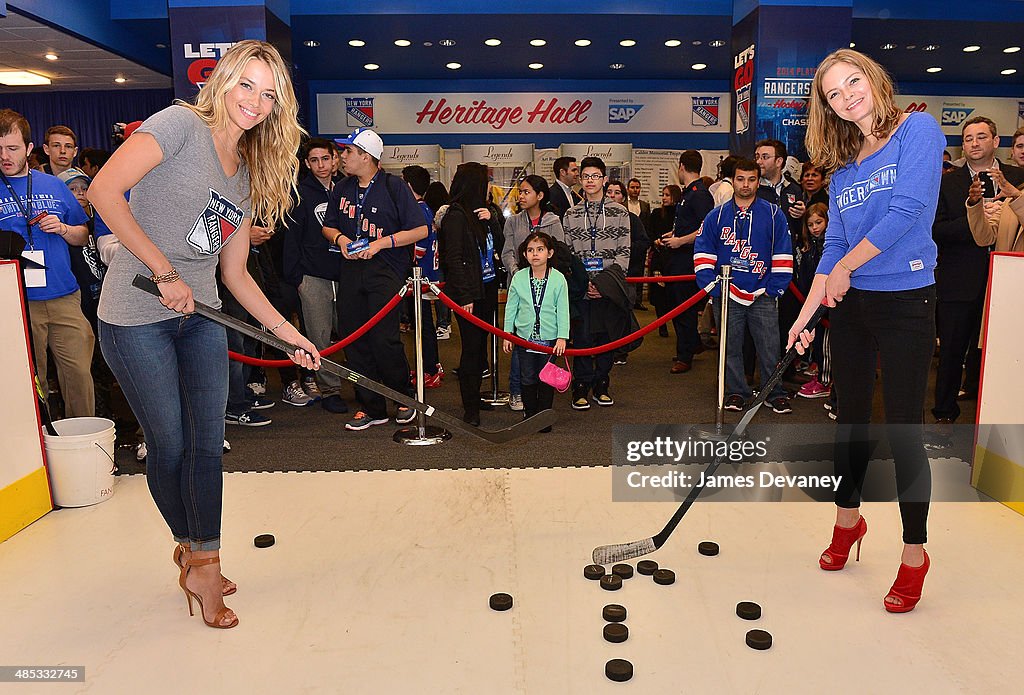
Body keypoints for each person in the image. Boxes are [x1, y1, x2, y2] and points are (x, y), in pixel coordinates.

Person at [90, 40, 321, 630]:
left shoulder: (244, 171)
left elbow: (234, 272)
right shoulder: (177, 125)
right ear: (222, 81)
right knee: (168, 445)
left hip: (202, 318)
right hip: (135, 312)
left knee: (205, 445)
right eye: (247, 84)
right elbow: (103, 192)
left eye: (269, 94)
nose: (255, 101)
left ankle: (204, 557)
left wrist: (289, 336)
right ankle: (196, 556)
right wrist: (162, 270)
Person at [789, 48, 946, 613]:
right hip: (851, 306)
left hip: (905, 299)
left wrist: (847, 269)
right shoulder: (845, 165)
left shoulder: (918, 131)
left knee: (904, 432)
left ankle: (914, 553)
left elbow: (909, 210)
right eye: (833, 92)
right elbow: (831, 247)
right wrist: (805, 318)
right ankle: (848, 521)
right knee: (849, 421)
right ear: (827, 107)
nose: (847, 95)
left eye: (853, 81)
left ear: (874, 79)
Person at [321, 128, 427, 431]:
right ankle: (371, 406)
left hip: (386, 270)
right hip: (351, 271)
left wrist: (380, 244)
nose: (343, 157)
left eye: (349, 152)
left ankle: (403, 397)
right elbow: (327, 226)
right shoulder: (342, 188)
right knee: (353, 339)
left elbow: (420, 230)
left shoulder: (394, 187)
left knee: (384, 339)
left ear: (366, 156)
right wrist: (341, 239)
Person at [0, 109, 95, 418]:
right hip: (15, 302)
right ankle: (36, 451)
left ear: (29, 149)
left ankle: (82, 443)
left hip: (64, 296)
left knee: (79, 377)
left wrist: (64, 229)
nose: (5, 156)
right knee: (27, 382)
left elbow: (82, 235)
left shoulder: (54, 186)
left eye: (12, 148)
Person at [932, 116, 1024, 421]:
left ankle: (999, 415)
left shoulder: (1017, 178)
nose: (974, 143)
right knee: (952, 352)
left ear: (996, 142)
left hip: (1008, 282)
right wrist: (977, 216)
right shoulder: (947, 181)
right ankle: (944, 412)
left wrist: (1012, 198)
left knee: (1004, 354)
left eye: (982, 136)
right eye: (968, 137)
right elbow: (936, 230)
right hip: (959, 279)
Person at [694, 158, 793, 414]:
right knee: (730, 346)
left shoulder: (773, 214)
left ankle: (774, 391)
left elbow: (783, 251)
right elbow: (703, 252)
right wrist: (712, 288)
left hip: (763, 293)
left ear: (758, 181)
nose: (746, 185)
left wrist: (775, 287)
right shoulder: (716, 216)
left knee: (770, 347)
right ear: (733, 180)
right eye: (740, 179)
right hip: (727, 294)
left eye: (751, 179)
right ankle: (735, 391)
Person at [282, 137, 349, 412]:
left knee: (351, 331)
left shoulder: (347, 189)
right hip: (312, 275)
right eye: (314, 160)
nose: (321, 165)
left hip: (345, 273)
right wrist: (297, 278)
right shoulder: (300, 194)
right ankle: (330, 388)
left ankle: (361, 383)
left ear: (335, 159)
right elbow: (291, 237)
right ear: (307, 164)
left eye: (325, 158)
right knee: (319, 335)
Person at [562, 156, 631, 409]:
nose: (590, 181)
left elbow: (624, 252)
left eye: (595, 176)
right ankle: (580, 386)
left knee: (605, 338)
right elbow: (569, 255)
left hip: (608, 286)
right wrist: (585, 284)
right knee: (581, 338)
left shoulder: (619, 212)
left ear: (604, 179)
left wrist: (603, 285)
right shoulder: (570, 214)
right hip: (581, 288)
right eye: (585, 176)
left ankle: (602, 384)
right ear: (580, 180)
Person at [438, 162, 501, 426]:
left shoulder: (482, 212)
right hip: (469, 294)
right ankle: (470, 408)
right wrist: (464, 297)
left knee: (481, 347)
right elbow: (452, 258)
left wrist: (493, 220)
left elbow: (499, 243)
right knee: (471, 350)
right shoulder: (455, 215)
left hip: (487, 288)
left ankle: (475, 398)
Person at [500, 174, 564, 409]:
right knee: (520, 345)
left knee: (544, 352)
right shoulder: (513, 221)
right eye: (520, 191)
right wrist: (519, 272)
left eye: (526, 192)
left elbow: (560, 252)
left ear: (540, 195)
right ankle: (517, 391)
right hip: (520, 285)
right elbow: (507, 251)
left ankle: (543, 402)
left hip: (547, 285)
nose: (521, 196)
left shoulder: (553, 220)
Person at [502, 231, 570, 430]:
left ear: (549, 253)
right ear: (524, 255)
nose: (535, 254)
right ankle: (530, 414)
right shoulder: (519, 278)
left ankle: (544, 417)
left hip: (550, 341)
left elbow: (563, 310)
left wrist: (562, 337)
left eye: (540, 249)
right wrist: (508, 334)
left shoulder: (558, 279)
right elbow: (511, 308)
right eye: (530, 250)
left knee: (546, 378)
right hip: (525, 339)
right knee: (527, 377)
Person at [659, 150, 714, 375]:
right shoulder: (689, 193)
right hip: (679, 257)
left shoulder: (699, 194)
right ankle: (691, 345)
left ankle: (685, 355)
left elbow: (705, 227)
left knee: (684, 310)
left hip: (688, 260)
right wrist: (673, 235)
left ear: (681, 166)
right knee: (679, 306)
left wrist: (680, 240)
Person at [402, 164, 443, 388]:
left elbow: (419, 248)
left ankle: (430, 368)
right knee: (424, 323)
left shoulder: (417, 210)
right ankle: (431, 365)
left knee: (423, 324)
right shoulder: (425, 208)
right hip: (428, 275)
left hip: (421, 277)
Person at [794, 203, 833, 403]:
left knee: (826, 345)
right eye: (810, 224)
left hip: (827, 306)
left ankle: (825, 382)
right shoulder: (809, 246)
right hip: (812, 302)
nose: (815, 227)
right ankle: (820, 374)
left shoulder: (830, 246)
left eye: (819, 222)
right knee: (817, 343)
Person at [648, 184, 682, 335]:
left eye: (668, 195)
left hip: (674, 258)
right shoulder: (656, 213)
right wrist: (655, 241)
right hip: (659, 257)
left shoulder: (680, 215)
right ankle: (661, 324)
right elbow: (649, 233)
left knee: (672, 294)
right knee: (659, 293)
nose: (664, 198)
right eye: (663, 194)